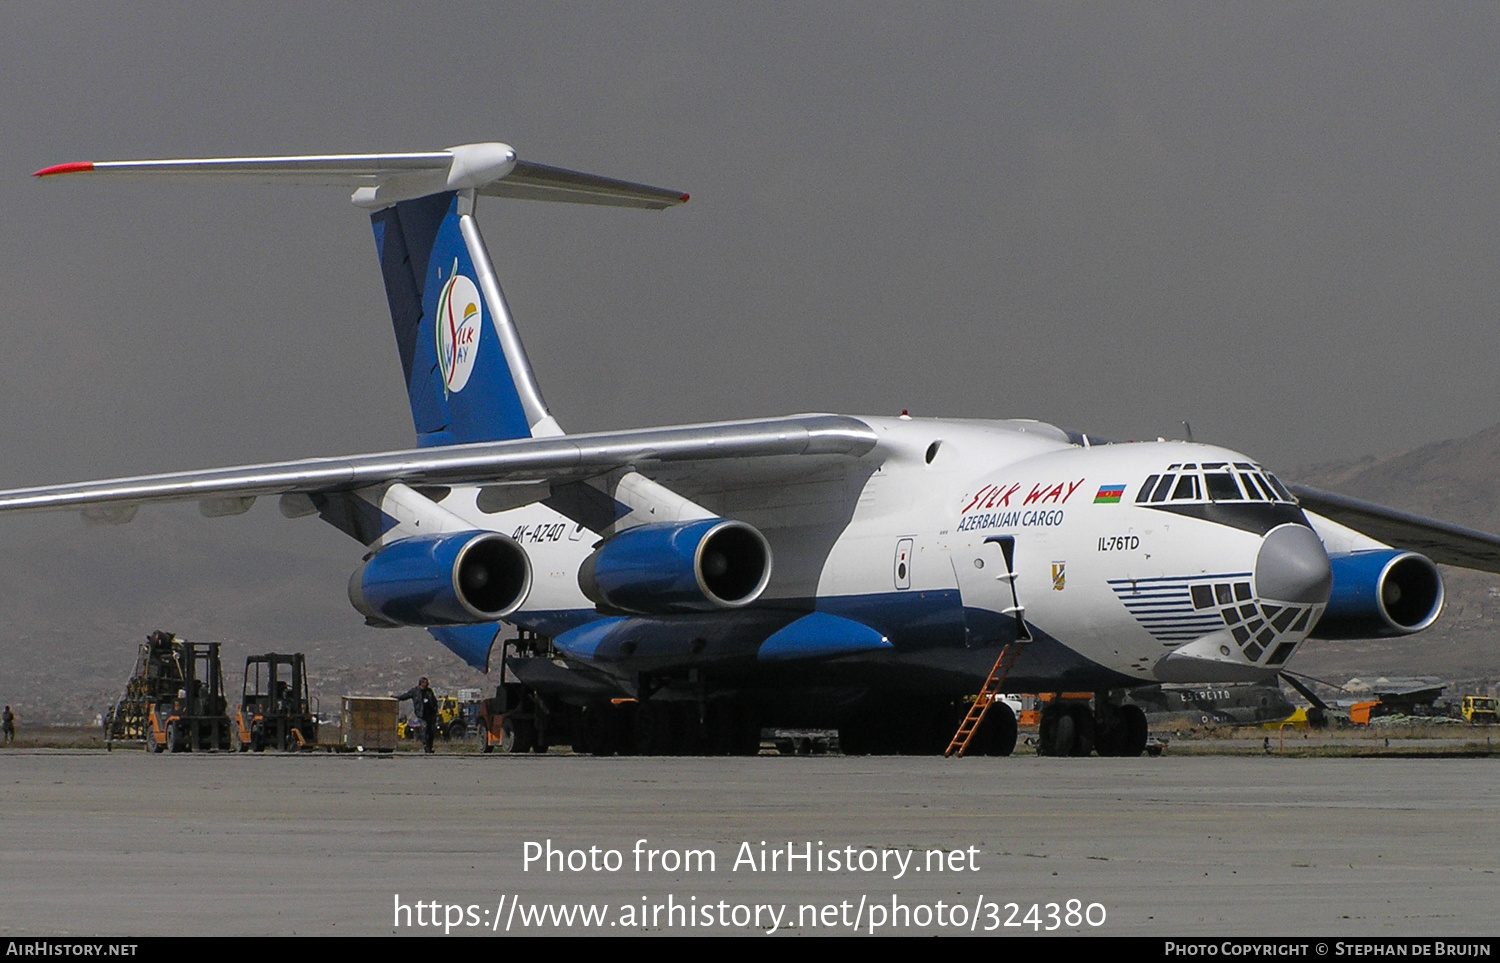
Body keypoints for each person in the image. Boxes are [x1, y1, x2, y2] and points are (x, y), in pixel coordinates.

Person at [397, 678, 439, 753]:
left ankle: (430, 747)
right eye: (425, 682)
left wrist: (435, 709)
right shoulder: (415, 691)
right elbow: (405, 696)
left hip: (430, 714)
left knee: (431, 731)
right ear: (421, 683)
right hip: (421, 714)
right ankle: (426, 746)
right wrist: (397, 697)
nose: (427, 684)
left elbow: (434, 701)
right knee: (424, 728)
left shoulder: (429, 691)